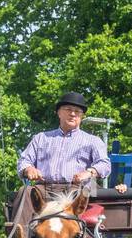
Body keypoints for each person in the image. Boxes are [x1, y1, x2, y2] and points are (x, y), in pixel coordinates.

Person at [8, 91, 111, 230]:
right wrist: (29, 169)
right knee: (25, 191)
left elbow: (104, 164)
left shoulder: (93, 141)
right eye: (68, 109)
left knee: (86, 193)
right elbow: (24, 161)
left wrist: (89, 172)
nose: (73, 114)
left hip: (75, 189)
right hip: (44, 188)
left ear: (81, 116)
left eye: (77, 111)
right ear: (59, 113)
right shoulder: (41, 138)